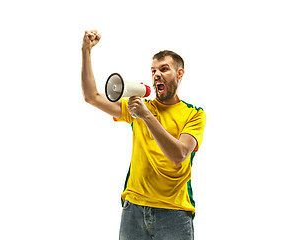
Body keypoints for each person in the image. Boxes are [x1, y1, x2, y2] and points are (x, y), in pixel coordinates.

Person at [81, 30, 206, 240]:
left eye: (164, 69)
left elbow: (179, 154)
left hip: (175, 212)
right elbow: (91, 96)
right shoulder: (138, 108)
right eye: (153, 70)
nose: (157, 74)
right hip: (134, 210)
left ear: (180, 73)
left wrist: (146, 116)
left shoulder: (194, 114)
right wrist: (86, 51)